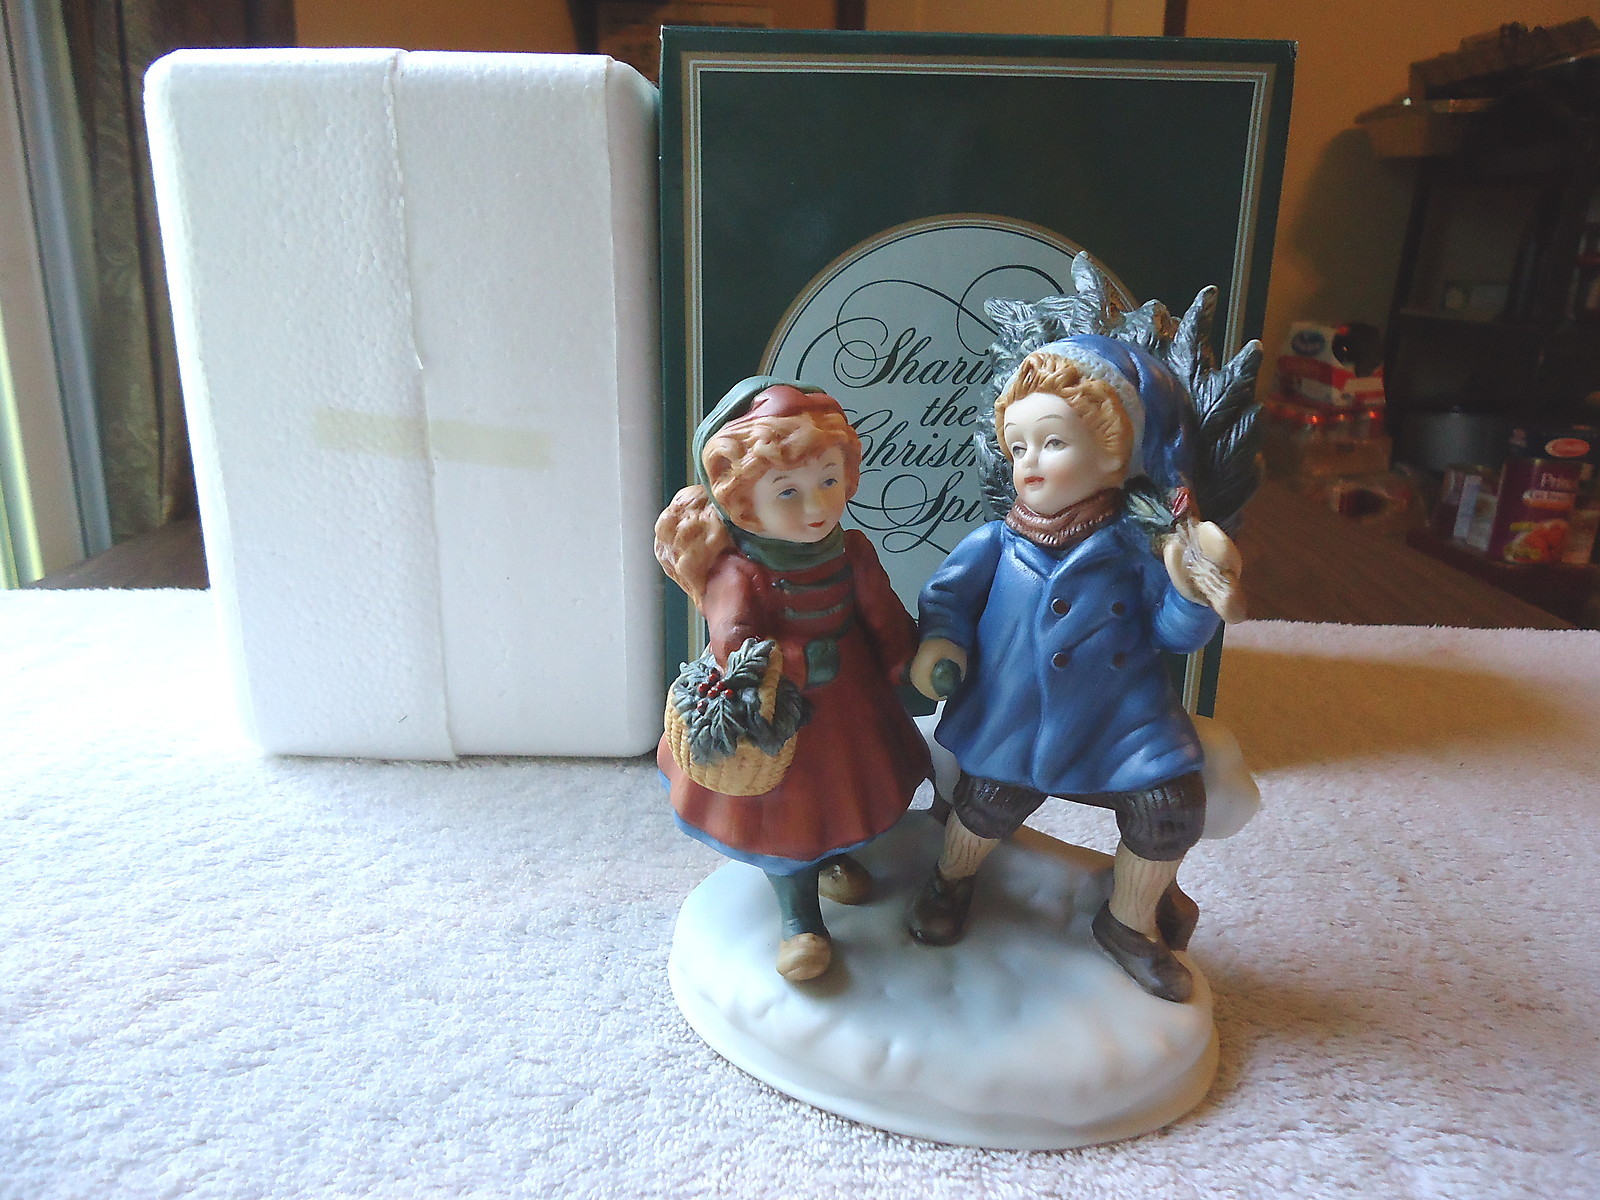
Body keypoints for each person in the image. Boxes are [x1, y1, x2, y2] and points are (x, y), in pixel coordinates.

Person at [907, 337, 1243, 1003]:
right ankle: (951, 879)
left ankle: (1128, 923)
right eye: (1018, 446)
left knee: (1169, 810)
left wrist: (1191, 593)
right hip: (1016, 715)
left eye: (1053, 442)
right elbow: (947, 600)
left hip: (1121, 722)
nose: (1030, 462)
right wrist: (941, 648)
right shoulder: (995, 543)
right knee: (985, 806)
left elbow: (1173, 635)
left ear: (1114, 454)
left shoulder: (1140, 549)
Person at [657, 377, 931, 982]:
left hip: (853, 706)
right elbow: (735, 642)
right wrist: (793, 664)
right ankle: (799, 917)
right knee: (790, 815)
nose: (816, 508)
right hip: (785, 713)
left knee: (850, 793)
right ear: (742, 502)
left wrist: (907, 661)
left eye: (828, 481)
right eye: (788, 492)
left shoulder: (851, 552)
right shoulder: (739, 572)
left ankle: (834, 858)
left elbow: (882, 614)